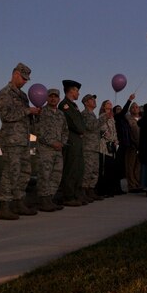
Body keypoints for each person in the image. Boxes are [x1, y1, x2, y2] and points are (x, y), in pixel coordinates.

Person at [0, 63, 40, 220]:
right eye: (23, 78)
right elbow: (6, 116)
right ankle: (4, 205)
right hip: (11, 139)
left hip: (23, 140)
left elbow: (26, 118)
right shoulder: (4, 93)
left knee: (25, 171)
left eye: (26, 79)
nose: (24, 82)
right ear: (15, 74)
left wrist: (34, 115)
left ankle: (18, 202)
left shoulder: (23, 96)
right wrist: (27, 110)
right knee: (10, 172)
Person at [35, 88, 68, 212]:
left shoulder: (61, 114)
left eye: (55, 96)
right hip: (45, 150)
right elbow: (38, 130)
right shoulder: (41, 112)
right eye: (50, 96)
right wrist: (52, 142)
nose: (53, 99)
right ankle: (43, 201)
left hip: (58, 150)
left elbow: (65, 130)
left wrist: (62, 143)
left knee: (56, 175)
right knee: (45, 175)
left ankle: (50, 199)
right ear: (46, 98)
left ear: (59, 99)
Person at [59, 79, 87, 207]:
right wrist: (81, 130)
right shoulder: (65, 105)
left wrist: (82, 130)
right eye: (77, 91)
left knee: (79, 168)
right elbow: (74, 123)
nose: (78, 94)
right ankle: (68, 196)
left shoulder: (74, 106)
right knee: (71, 169)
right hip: (72, 139)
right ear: (71, 91)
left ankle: (76, 194)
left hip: (78, 140)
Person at [81, 93, 103, 202]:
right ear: (85, 103)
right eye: (91, 99)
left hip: (94, 147)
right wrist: (104, 118)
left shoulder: (93, 115)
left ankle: (91, 190)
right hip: (88, 147)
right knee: (87, 171)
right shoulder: (85, 114)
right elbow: (91, 126)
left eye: (94, 99)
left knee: (95, 170)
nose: (94, 101)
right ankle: (84, 192)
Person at [98, 99, 120, 197]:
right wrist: (111, 138)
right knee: (105, 167)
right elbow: (103, 129)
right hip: (104, 144)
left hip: (112, 145)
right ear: (103, 106)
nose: (110, 104)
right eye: (107, 103)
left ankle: (111, 189)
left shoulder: (112, 117)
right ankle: (103, 190)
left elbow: (114, 130)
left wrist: (115, 140)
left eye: (111, 103)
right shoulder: (103, 116)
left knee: (111, 167)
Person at [124, 101, 142, 193]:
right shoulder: (128, 119)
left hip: (141, 146)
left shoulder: (142, 119)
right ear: (130, 110)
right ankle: (131, 185)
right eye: (133, 107)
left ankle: (137, 183)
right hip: (132, 145)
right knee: (130, 165)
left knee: (138, 166)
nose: (135, 108)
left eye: (136, 107)